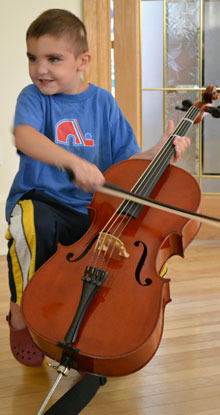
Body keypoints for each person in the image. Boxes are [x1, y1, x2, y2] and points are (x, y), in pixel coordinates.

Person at [5, 8, 190, 367]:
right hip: (41, 201)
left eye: (53, 59)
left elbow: (126, 164)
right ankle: (20, 313)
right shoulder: (34, 98)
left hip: (90, 213)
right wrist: (72, 161)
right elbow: (25, 136)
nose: (40, 69)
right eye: (33, 58)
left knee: (100, 268)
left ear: (82, 61)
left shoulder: (103, 102)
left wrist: (159, 152)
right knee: (29, 224)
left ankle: (80, 330)